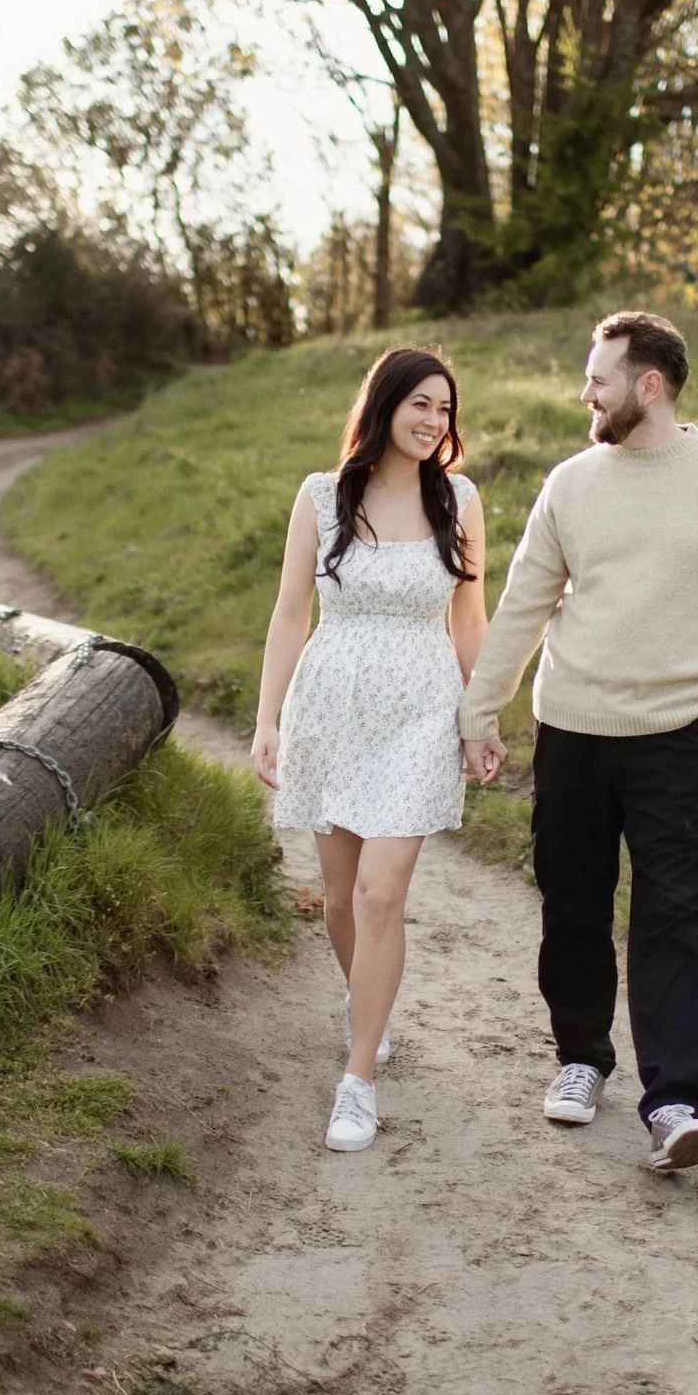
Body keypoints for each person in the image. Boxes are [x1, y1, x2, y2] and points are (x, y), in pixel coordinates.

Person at [459, 311, 698, 1173]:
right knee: (572, 906)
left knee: (676, 919)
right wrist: (479, 709)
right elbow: (525, 602)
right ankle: (580, 1058)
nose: (585, 393)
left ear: (650, 384)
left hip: (682, 737)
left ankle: (675, 1101)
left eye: (598, 378)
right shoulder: (571, 483)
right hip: (572, 729)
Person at [252, 346, 489, 1153]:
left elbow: (468, 621)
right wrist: (267, 718)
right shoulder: (323, 496)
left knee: (383, 894)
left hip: (421, 710)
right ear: (386, 403)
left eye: (445, 410)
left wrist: (480, 716)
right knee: (343, 895)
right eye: (421, 404)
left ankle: (358, 1078)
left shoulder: (459, 499)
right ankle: (370, 1007)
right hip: (332, 703)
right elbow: (290, 614)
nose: (434, 422)